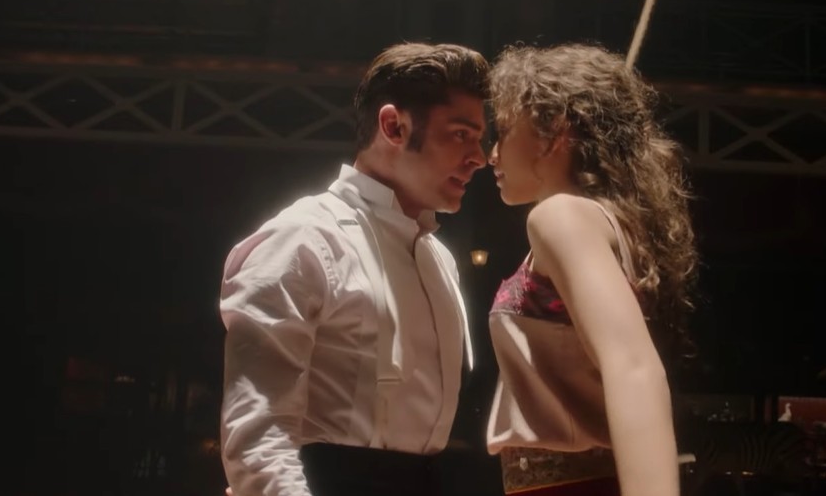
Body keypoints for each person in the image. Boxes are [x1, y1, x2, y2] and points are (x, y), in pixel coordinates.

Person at [218, 42, 491, 496]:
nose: (479, 157)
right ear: (394, 126)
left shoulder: (439, 258)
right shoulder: (301, 239)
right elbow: (258, 435)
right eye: (461, 134)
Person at [483, 43, 698, 496]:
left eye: (502, 132)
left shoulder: (560, 216)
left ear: (554, 131)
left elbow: (632, 365)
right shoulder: (613, 225)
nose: (492, 154)